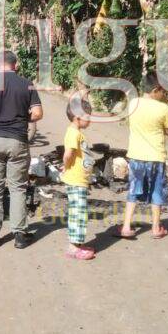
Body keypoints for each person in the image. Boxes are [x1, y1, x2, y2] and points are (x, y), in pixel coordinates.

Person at [0, 50, 43, 249]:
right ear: (16, 64)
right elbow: (38, 113)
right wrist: (22, 118)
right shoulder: (27, 84)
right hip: (17, 141)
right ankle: (20, 234)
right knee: (18, 187)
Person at [118, 73, 168, 240]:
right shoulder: (163, 109)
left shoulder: (133, 103)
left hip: (136, 155)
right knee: (157, 191)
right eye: (163, 91)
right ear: (156, 90)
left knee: (133, 191)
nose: (164, 95)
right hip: (156, 157)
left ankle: (126, 226)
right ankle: (156, 228)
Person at [61, 97, 95, 261]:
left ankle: (77, 245)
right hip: (75, 180)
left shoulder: (76, 132)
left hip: (79, 180)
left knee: (80, 213)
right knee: (78, 214)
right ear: (77, 117)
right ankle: (74, 248)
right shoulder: (73, 133)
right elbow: (68, 154)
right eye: (88, 117)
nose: (90, 120)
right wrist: (66, 166)